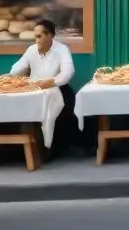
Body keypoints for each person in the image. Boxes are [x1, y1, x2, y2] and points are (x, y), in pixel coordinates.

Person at [9, 19, 79, 159]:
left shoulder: (61, 50)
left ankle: (54, 150)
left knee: (64, 106)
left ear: (50, 36)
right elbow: (15, 70)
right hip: (35, 88)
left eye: (40, 36)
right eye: (35, 36)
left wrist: (52, 82)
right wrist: (22, 70)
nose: (37, 40)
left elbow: (68, 72)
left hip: (57, 87)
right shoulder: (31, 50)